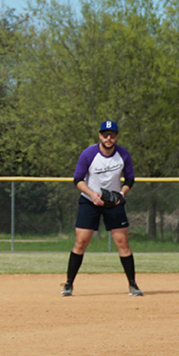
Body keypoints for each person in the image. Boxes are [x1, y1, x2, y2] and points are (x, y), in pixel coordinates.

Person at [62, 120, 142, 297]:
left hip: (113, 203)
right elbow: (78, 179)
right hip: (90, 201)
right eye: (105, 134)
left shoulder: (123, 155)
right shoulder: (88, 154)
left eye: (112, 135)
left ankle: (132, 284)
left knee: (123, 243)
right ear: (100, 135)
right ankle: (68, 284)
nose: (108, 138)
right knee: (81, 242)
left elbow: (130, 179)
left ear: (116, 137)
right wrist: (91, 194)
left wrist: (121, 194)